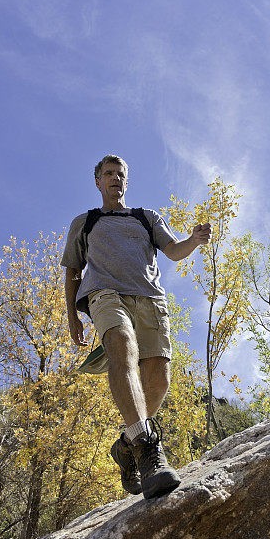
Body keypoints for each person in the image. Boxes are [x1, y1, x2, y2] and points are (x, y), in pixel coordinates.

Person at [62, 155, 211, 500]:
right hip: (105, 295)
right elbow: (71, 272)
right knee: (121, 344)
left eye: (121, 174)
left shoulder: (146, 218)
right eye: (108, 174)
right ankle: (146, 449)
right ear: (98, 182)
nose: (115, 179)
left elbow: (173, 251)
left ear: (127, 182)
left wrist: (194, 240)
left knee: (159, 376)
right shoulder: (85, 222)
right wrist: (72, 317)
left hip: (150, 299)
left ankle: (126, 443)